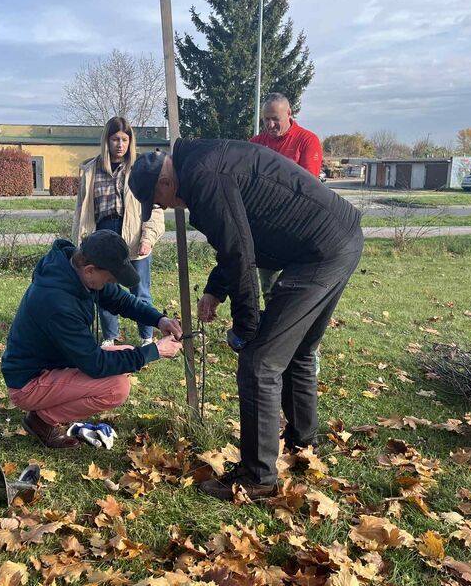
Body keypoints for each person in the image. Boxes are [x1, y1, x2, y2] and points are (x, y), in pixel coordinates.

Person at [128, 140, 363, 500]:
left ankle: (258, 478)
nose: (166, 206)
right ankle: (302, 446)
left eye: (160, 201)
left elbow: (240, 253)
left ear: (164, 181)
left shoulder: (202, 176)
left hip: (319, 251)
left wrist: (247, 327)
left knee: (260, 363)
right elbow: (238, 237)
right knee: (298, 350)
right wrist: (214, 290)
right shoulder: (203, 164)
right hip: (336, 237)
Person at [1, 230, 183, 449]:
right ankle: (41, 420)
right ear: (90, 271)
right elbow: (95, 365)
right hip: (28, 383)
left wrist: (159, 320)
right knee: (117, 387)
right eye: (110, 278)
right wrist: (154, 351)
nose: (112, 283)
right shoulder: (57, 303)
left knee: (123, 353)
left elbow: (122, 301)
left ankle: (47, 410)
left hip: (54, 365)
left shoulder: (74, 273)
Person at [72, 116, 165, 347]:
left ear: (130, 141)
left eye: (124, 139)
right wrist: (81, 241)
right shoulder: (91, 170)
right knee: (105, 287)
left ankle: (146, 336)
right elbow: (82, 210)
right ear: (107, 140)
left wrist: (148, 237)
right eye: (115, 139)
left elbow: (154, 206)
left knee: (139, 288)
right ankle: (109, 337)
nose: (120, 144)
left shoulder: (139, 168)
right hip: (103, 233)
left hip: (134, 234)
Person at [250, 93, 325, 308]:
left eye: (275, 119)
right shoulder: (256, 144)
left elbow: (308, 187)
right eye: (266, 120)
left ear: (289, 114)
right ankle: (273, 329)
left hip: (298, 226)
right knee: (270, 287)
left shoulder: (306, 140)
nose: (270, 125)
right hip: (266, 227)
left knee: (298, 290)